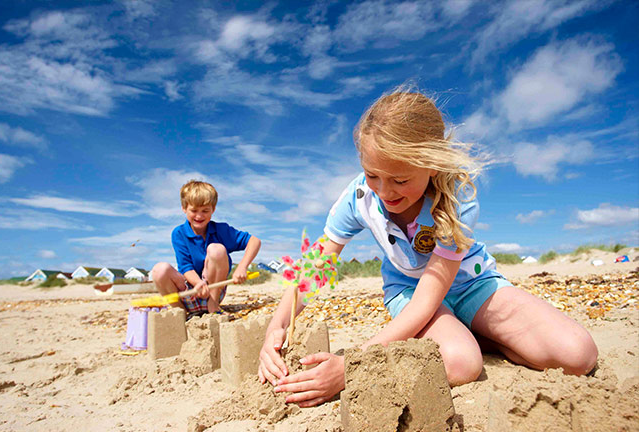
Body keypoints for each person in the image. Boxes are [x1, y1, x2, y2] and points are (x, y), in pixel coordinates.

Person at [258, 87, 598, 407]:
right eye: (372, 175)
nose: (385, 191)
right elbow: (317, 266)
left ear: (433, 163)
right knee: (461, 363)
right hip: (408, 288)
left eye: (401, 180)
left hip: (472, 284)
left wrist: (353, 362)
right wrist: (276, 327)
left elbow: (431, 295)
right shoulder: (359, 196)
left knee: (577, 355)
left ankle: (478, 334)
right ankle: (468, 338)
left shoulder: (457, 198)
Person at [152, 180, 261, 317]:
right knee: (159, 269)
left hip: (213, 290)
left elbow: (254, 241)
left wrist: (242, 267)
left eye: (205, 211)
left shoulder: (221, 230)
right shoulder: (178, 233)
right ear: (184, 208)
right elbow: (185, 267)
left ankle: (213, 306)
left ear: (213, 210)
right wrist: (198, 283)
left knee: (217, 249)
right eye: (194, 210)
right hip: (189, 292)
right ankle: (180, 313)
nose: (199, 216)